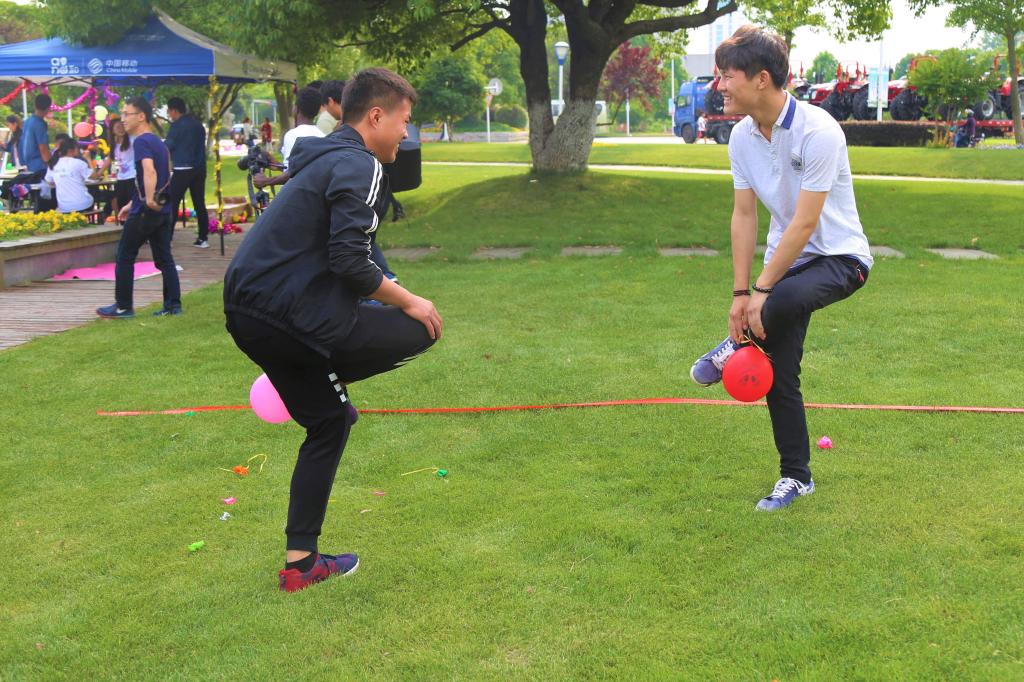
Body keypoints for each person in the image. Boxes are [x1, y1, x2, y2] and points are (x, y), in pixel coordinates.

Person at [223, 67, 442, 592]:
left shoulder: (323, 159)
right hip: (289, 319)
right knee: (424, 327)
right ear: (376, 117)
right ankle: (325, 371)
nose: (406, 134)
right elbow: (349, 261)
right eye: (404, 121)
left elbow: (360, 246)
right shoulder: (362, 164)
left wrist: (391, 281)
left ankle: (301, 566)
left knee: (330, 420)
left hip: (246, 312)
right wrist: (410, 300)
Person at [689, 26, 872, 511]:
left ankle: (735, 345)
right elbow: (744, 215)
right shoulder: (740, 138)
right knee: (779, 370)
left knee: (780, 299)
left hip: (839, 257)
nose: (720, 86)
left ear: (761, 79)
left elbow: (806, 222)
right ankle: (797, 478)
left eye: (727, 76)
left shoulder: (818, 130)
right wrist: (740, 294)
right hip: (785, 262)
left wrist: (762, 289)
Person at [96, 97, 181, 319]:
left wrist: (148, 200)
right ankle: (173, 305)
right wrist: (131, 203)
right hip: (162, 209)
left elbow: (149, 171)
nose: (122, 119)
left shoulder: (141, 141)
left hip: (147, 210)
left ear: (141, 116)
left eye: (127, 114)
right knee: (164, 259)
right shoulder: (159, 143)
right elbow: (163, 175)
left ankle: (124, 306)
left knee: (125, 254)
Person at [252, 86, 325, 191]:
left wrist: (266, 181)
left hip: (294, 197)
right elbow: (305, 169)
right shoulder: (323, 136)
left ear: (296, 109)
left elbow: (293, 174)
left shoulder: (293, 135)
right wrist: (277, 165)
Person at [163, 97, 210, 248]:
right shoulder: (198, 125)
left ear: (174, 110)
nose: (169, 114)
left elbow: (168, 146)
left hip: (182, 168)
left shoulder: (176, 126)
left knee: (172, 202)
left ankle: (167, 237)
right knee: (199, 202)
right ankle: (203, 238)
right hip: (199, 168)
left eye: (169, 111)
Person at [44, 137, 100, 213]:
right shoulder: (78, 163)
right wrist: (89, 159)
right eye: (78, 148)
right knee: (95, 193)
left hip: (64, 206)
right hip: (83, 205)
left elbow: (49, 181)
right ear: (71, 150)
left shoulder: (53, 164)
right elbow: (94, 176)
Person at [100, 117, 136, 218]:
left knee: (132, 205)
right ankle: (123, 222)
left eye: (122, 126)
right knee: (121, 204)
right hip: (121, 178)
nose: (121, 129)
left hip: (133, 177)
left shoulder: (132, 140)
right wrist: (99, 173)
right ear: (112, 130)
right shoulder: (114, 144)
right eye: (117, 127)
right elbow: (110, 159)